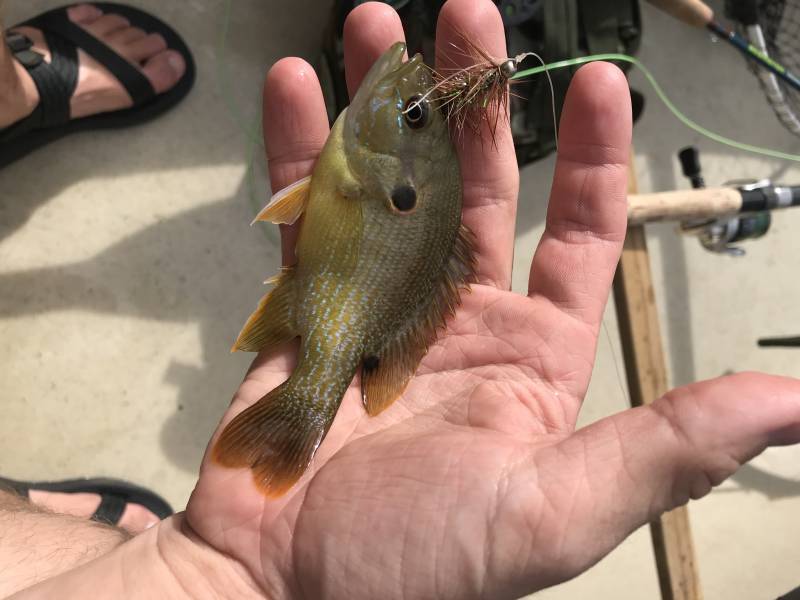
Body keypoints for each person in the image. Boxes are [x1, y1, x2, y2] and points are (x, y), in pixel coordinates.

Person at [2, 0, 800, 598]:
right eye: (416, 112)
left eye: (414, 113)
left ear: (393, 164)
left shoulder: (364, 166)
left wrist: (209, 574)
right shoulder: (366, 170)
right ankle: (72, 522)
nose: (408, 91)